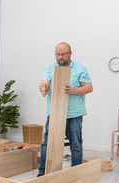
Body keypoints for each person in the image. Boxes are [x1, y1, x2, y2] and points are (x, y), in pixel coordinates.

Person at [37, 42, 93, 176]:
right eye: (57, 54)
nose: (60, 57)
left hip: (74, 114)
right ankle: (42, 171)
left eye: (63, 54)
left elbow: (89, 87)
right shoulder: (50, 68)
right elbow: (44, 82)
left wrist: (74, 90)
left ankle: (76, 172)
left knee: (76, 144)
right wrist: (43, 88)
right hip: (55, 113)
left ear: (70, 54)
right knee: (48, 143)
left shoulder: (80, 68)